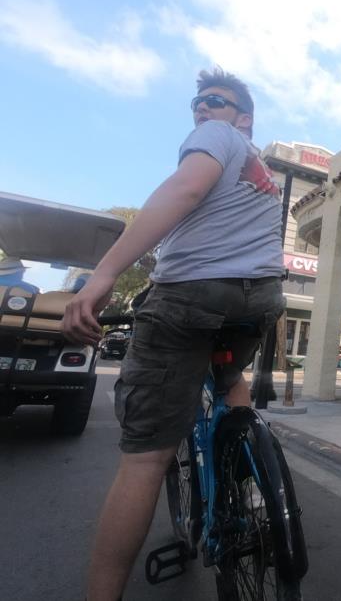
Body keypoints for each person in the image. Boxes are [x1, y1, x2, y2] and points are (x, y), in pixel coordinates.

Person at [63, 67, 285, 601]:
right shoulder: (263, 177)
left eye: (216, 100)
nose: (202, 109)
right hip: (257, 299)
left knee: (145, 459)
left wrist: (106, 274)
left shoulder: (216, 139)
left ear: (244, 119)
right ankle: (246, 481)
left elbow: (185, 189)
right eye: (197, 104)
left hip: (190, 296)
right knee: (228, 374)